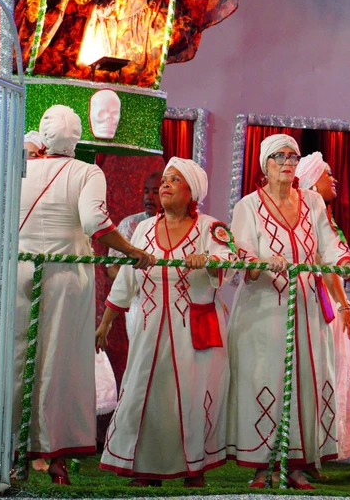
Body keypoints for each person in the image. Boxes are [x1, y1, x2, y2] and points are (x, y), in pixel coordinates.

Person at [12, 105, 154, 486]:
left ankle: (11, 447)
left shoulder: (18, 167)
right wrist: (133, 251)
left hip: (17, 269)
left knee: (16, 355)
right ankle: (55, 455)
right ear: (77, 137)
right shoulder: (87, 171)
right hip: (65, 276)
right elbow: (95, 222)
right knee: (62, 360)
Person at [226, 134, 350, 489]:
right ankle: (263, 464)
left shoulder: (314, 202)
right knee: (264, 378)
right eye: (279, 157)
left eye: (293, 156)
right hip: (262, 310)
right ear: (265, 164)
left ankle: (298, 463)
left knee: (305, 378)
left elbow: (329, 246)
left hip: (305, 307)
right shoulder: (248, 206)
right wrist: (261, 263)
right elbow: (239, 253)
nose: (288, 163)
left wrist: (347, 264)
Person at [96, 158, 229, 487]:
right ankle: (144, 467)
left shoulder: (210, 227)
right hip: (148, 327)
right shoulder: (142, 229)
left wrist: (209, 260)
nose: (166, 185)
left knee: (192, 396)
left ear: (192, 192)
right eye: (164, 180)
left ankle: (193, 469)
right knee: (145, 393)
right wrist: (107, 321)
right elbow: (126, 278)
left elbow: (228, 258)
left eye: (175, 180)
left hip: (194, 328)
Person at [295, 152, 350, 465]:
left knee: (335, 375)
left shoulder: (322, 217)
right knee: (322, 375)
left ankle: (325, 448)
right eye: (328, 174)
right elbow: (325, 269)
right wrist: (344, 306)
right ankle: (313, 450)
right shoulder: (309, 216)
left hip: (327, 305)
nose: (335, 179)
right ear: (314, 183)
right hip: (318, 306)